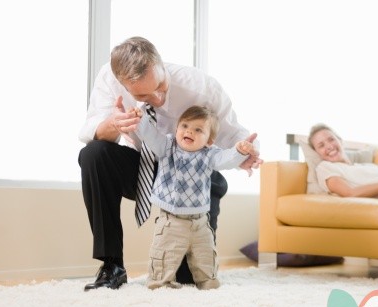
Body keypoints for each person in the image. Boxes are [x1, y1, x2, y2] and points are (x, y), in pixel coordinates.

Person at [78, 36, 262, 291]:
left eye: (161, 85)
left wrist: (248, 151)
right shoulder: (109, 79)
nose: (158, 97)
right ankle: (112, 266)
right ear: (122, 84)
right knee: (94, 154)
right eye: (144, 95)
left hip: (196, 181)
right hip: (147, 170)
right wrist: (113, 123)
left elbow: (235, 134)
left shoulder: (202, 87)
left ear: (162, 65)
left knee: (188, 278)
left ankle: (191, 259)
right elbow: (91, 129)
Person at [135, 105, 257, 290]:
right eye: (184, 126)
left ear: (209, 140)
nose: (189, 131)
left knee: (206, 260)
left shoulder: (210, 155)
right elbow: (151, 137)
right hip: (171, 222)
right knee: (163, 259)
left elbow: (227, 159)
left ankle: (208, 285)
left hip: (200, 223)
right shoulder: (167, 147)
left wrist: (239, 151)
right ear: (176, 129)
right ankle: (160, 284)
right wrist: (141, 119)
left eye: (198, 129)